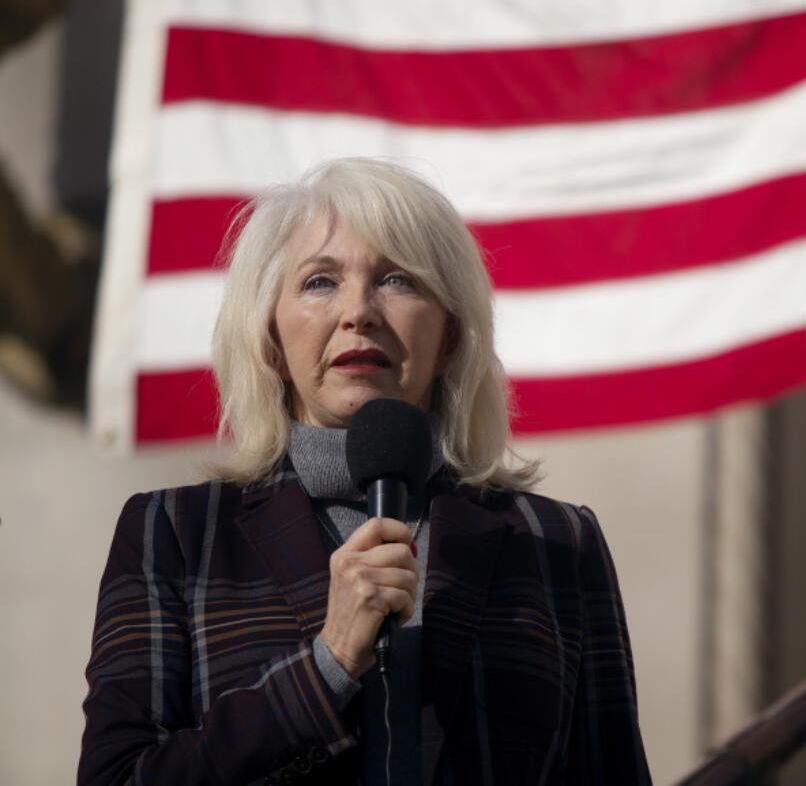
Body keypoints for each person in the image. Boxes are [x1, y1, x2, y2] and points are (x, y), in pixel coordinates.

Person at [78, 158, 652, 786]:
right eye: (320, 281)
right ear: (270, 338)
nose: (359, 312)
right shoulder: (176, 534)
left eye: (398, 280)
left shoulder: (557, 543)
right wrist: (327, 663)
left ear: (453, 337)